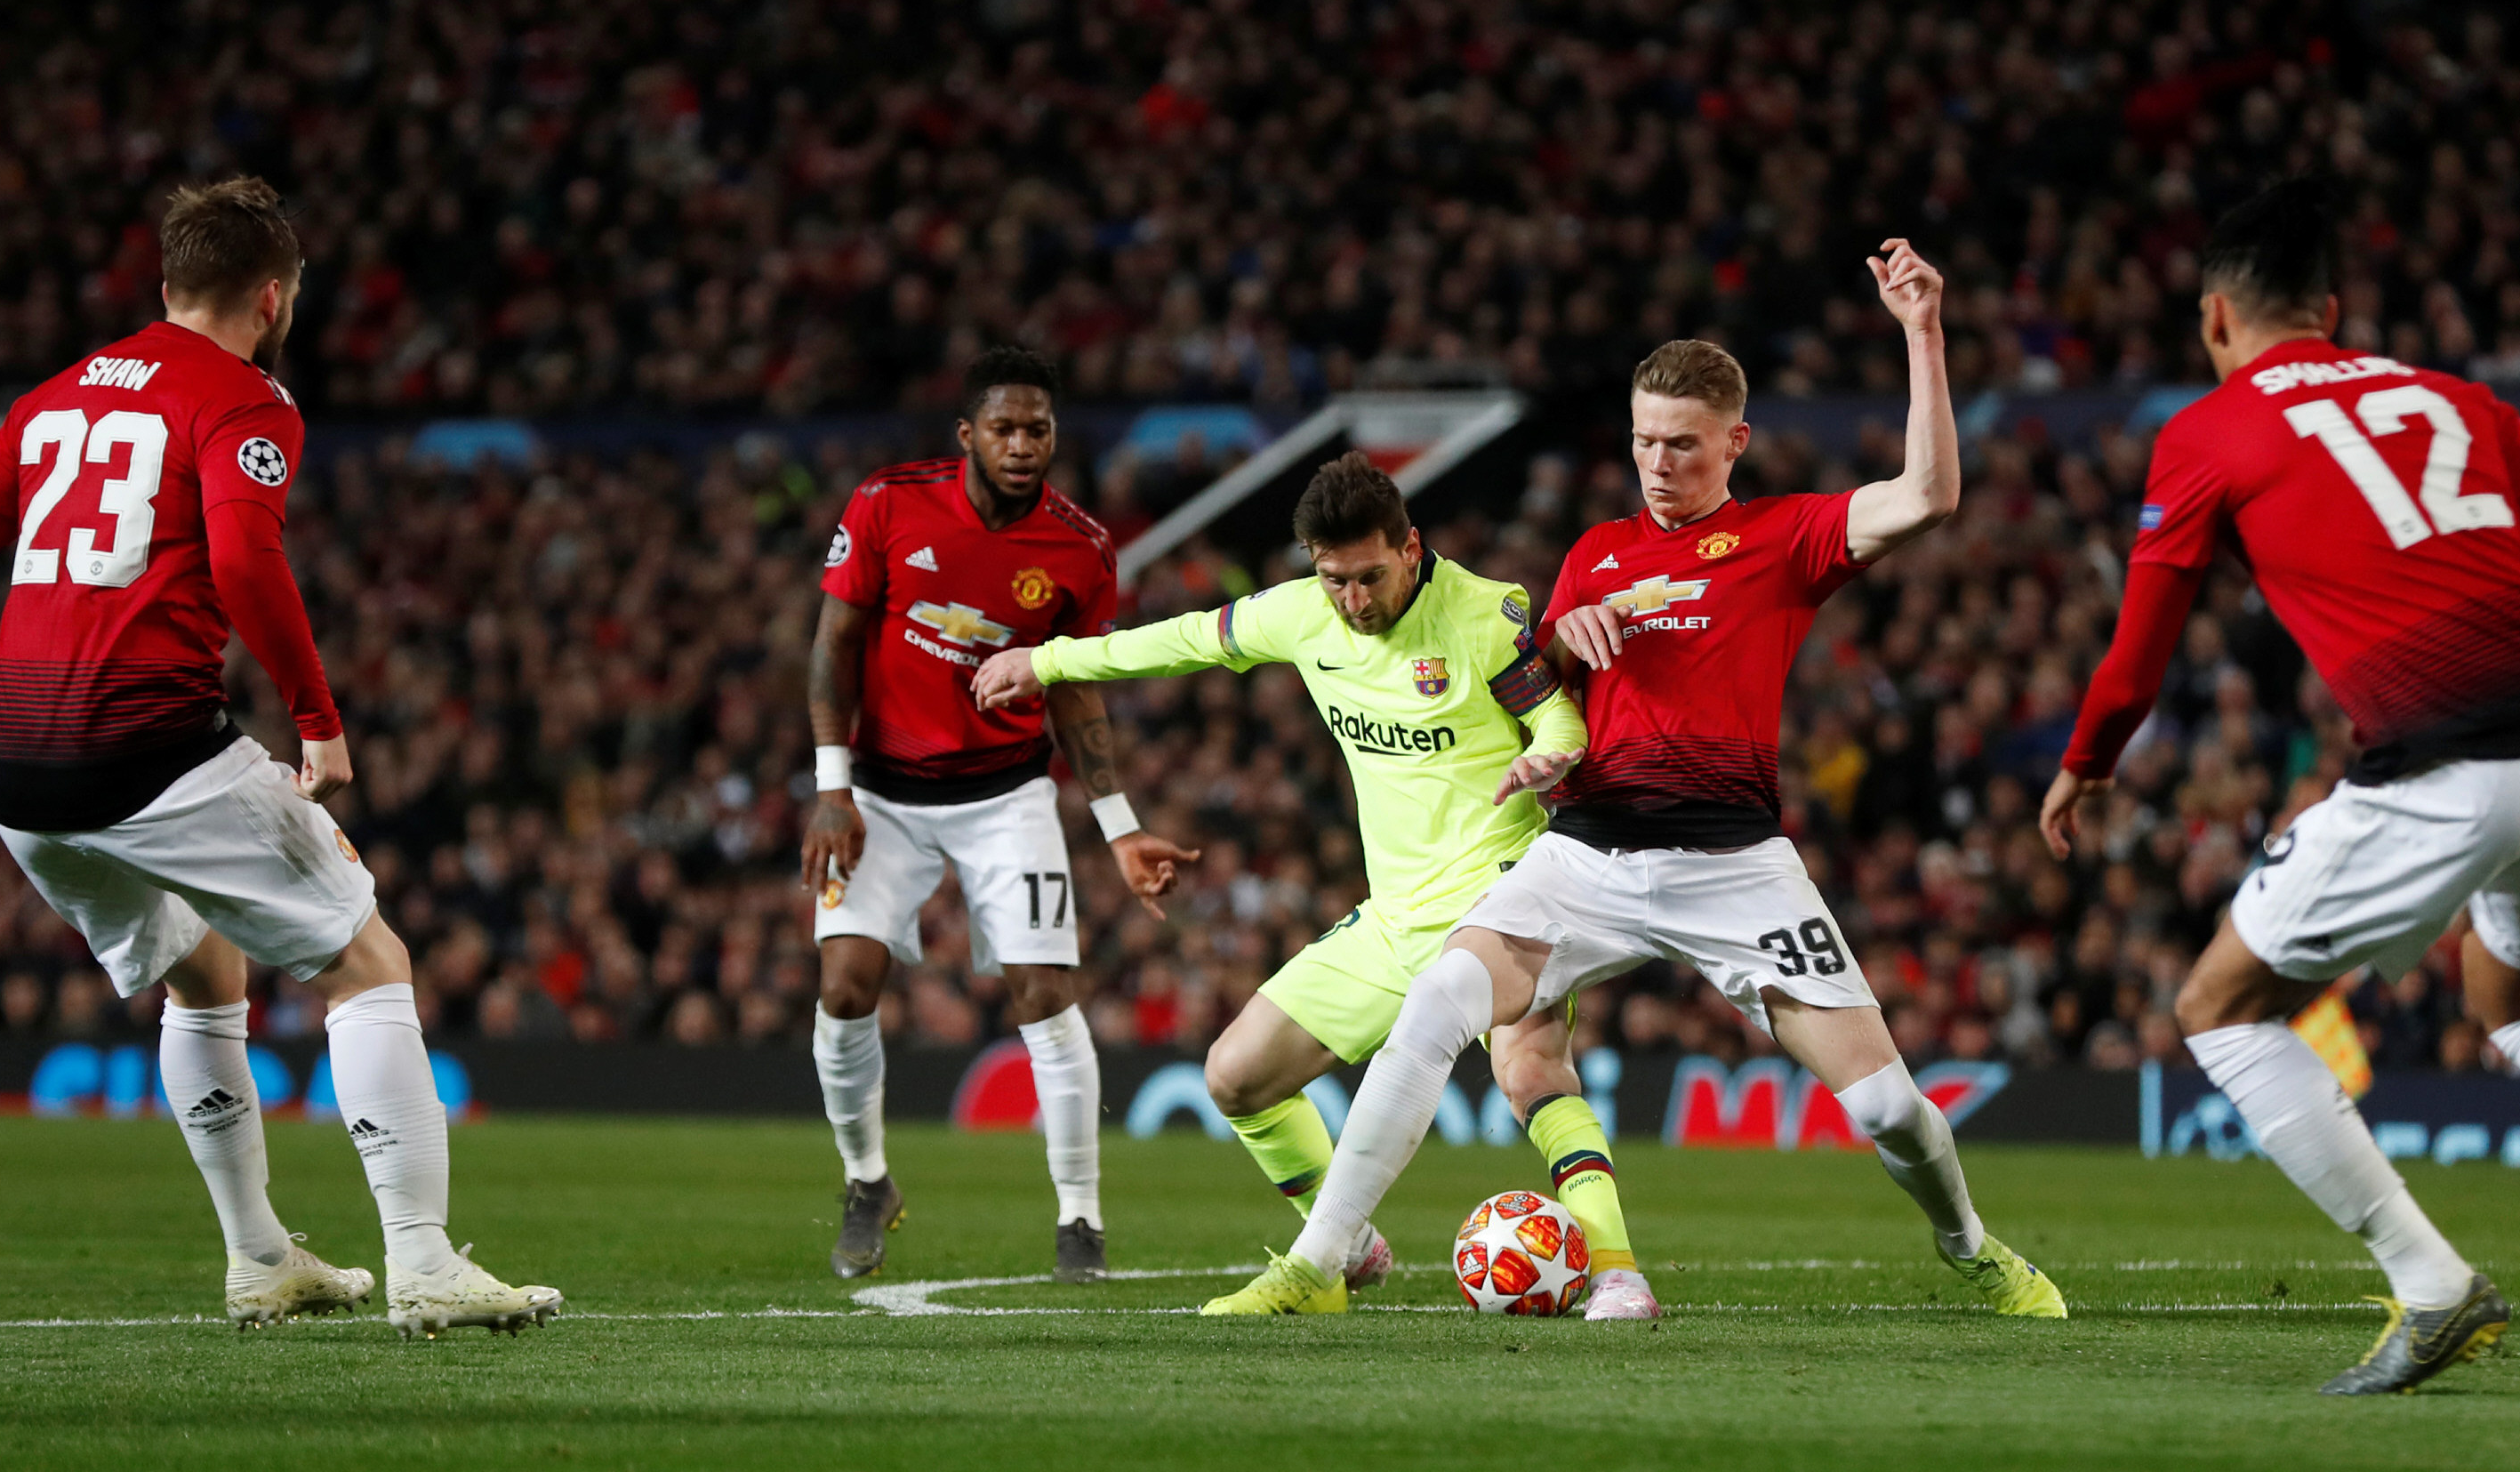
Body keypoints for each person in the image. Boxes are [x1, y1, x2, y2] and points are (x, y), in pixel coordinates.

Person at [1202, 242, 2069, 1322]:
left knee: (1890, 1107)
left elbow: (1930, 494)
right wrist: (1561, 650)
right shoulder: (1594, 554)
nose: (1659, 464)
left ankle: (1970, 1247)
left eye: (1683, 444)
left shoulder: (1781, 538)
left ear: (1734, 442)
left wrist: (1922, 332)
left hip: (1735, 864)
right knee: (1436, 1001)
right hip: (1586, 854)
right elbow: (1540, 691)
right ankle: (1316, 1261)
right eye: (1644, 441)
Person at [2037, 176, 2520, 1396]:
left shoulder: (2208, 432)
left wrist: (2086, 764)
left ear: (2216, 318)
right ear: (2331, 310)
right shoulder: (2452, 397)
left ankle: (2431, 1283)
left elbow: (2134, 661)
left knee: (2219, 1005)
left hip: (2447, 762)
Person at [0, 177, 558, 1337]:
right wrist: (317, 714)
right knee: (369, 960)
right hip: (147, 749)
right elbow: (247, 563)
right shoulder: (245, 399)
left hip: (23, 774)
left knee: (205, 975)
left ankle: (262, 1258)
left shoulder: (52, 397)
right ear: (273, 297)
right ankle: (424, 1262)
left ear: (166, 284)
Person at [977, 452, 1664, 1318]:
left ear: (1410, 547)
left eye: (1370, 576)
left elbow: (1553, 710)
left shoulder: (1486, 613)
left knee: (1530, 1069)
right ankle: (1340, 1251)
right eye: (1335, 579)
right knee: (1235, 1076)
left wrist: (1550, 752)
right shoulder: (1300, 614)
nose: (1354, 600)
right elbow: (1183, 640)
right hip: (1395, 917)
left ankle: (1618, 1274)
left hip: (1504, 896)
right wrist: (1049, 662)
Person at [803, 345, 1194, 1284]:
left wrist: (1119, 826)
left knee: (1044, 993)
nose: (1023, 445)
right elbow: (834, 643)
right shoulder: (887, 503)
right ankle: (867, 1181)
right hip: (881, 790)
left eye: (1039, 430)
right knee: (845, 986)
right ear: (967, 434)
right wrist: (831, 788)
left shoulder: (1080, 548)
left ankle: (1081, 1218)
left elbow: (1077, 691)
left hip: (1005, 793)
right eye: (1005, 428)